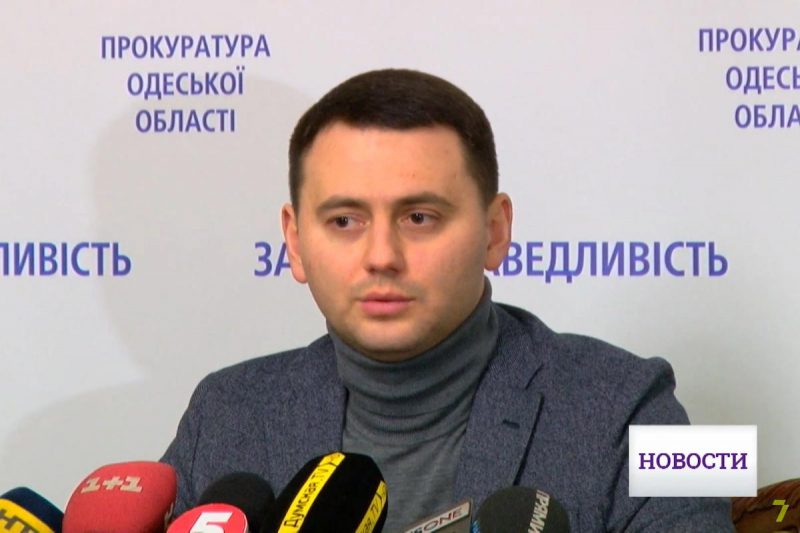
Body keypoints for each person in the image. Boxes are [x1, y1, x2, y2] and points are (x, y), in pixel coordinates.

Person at [161, 68, 734, 531]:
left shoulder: (638, 401)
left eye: (419, 217)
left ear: (495, 230)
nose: (381, 255)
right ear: (294, 242)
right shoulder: (224, 411)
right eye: (344, 220)